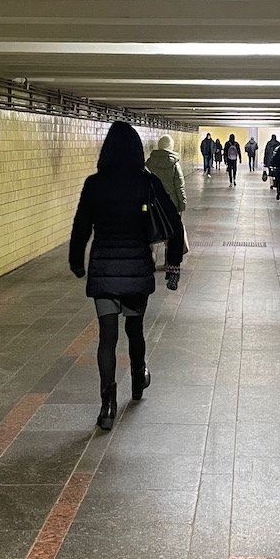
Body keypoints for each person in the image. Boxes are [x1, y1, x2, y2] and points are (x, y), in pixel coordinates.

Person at [70, 122, 185, 430]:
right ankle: (138, 378)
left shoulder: (94, 184)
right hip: (136, 270)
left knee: (107, 339)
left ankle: (107, 406)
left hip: (104, 271)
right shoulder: (146, 183)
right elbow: (174, 223)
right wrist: (172, 266)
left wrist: (76, 262)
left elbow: (81, 225)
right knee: (135, 330)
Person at [145, 134, 187, 214]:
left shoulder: (149, 163)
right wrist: (182, 204)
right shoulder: (174, 164)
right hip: (171, 202)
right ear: (170, 146)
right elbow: (179, 186)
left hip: (154, 203)